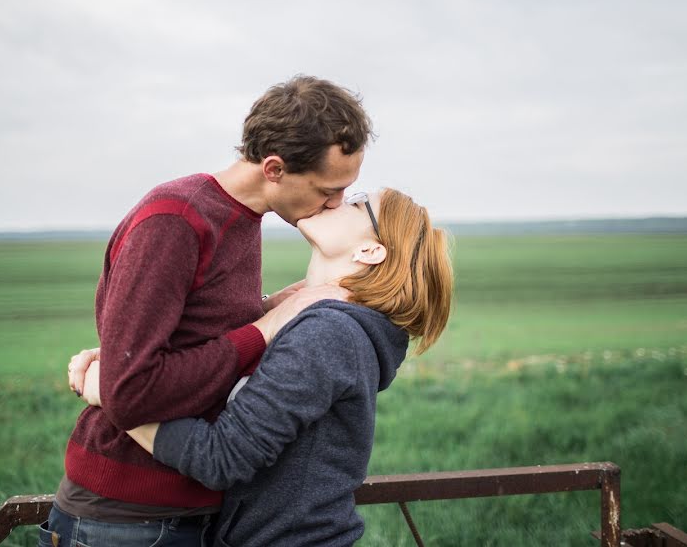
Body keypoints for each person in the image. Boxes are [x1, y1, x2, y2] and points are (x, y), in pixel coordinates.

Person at [40, 76, 374, 547]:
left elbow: (193, 337)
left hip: (193, 511)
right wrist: (267, 325)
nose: (337, 202)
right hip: (124, 520)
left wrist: (274, 306)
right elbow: (130, 392)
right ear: (274, 169)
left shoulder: (244, 218)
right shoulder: (177, 220)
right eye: (328, 188)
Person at [80, 188, 454, 547]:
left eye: (358, 202)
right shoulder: (330, 326)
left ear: (370, 250)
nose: (339, 197)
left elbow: (221, 457)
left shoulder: (330, 334)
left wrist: (114, 393)